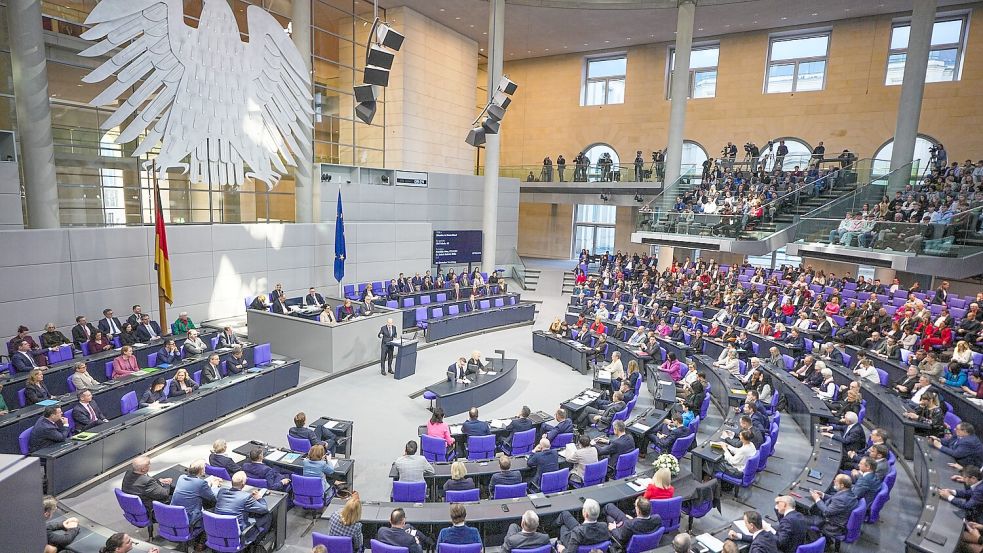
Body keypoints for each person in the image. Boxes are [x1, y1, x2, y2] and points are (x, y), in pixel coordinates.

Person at [214, 471, 271, 544]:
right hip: (239, 535)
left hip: (219, 531)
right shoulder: (246, 497)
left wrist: (215, 485)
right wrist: (259, 498)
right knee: (268, 515)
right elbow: (264, 509)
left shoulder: (221, 491)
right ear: (243, 484)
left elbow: (214, 492)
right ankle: (257, 543)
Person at [808, 474, 858, 542]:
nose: (834, 481)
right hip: (839, 517)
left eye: (836, 481)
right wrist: (823, 495)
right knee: (814, 509)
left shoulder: (841, 499)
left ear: (842, 485)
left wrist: (817, 499)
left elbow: (826, 512)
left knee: (803, 520)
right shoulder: (849, 493)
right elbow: (835, 498)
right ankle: (826, 541)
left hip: (832, 525)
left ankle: (819, 543)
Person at [169, 460, 217, 528]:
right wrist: (215, 485)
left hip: (174, 515)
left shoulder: (181, 477)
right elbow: (213, 498)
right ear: (201, 471)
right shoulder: (201, 483)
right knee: (216, 507)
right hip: (190, 518)